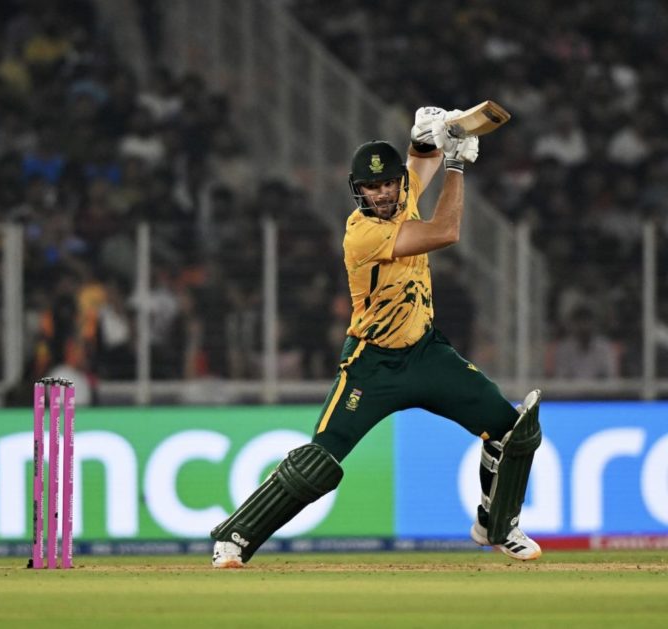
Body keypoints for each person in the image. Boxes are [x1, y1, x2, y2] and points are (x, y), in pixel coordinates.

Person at [210, 107, 543, 567]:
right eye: (372, 186)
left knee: (513, 434)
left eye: (388, 183)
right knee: (318, 463)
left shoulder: (402, 194)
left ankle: (497, 524)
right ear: (358, 191)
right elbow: (445, 231)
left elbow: (418, 161)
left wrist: (429, 135)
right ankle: (235, 537)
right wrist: (455, 163)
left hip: (428, 354)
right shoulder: (361, 234)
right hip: (372, 365)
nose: (383, 193)